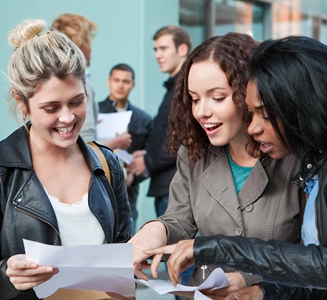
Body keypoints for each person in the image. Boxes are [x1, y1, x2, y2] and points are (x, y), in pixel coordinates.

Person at [145, 36, 327, 299]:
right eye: (194, 99)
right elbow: (314, 273)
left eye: (264, 115)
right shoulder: (318, 157)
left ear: (300, 105)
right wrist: (263, 292)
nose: (254, 127)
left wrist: (215, 247)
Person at [0, 19, 132, 300]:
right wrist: (8, 276)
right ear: (21, 102)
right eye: (51, 108)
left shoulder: (107, 163)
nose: (67, 118)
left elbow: (126, 254)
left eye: (77, 101)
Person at [130, 33, 309, 299]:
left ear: (250, 93)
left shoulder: (295, 156)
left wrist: (250, 280)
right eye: (194, 98)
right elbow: (180, 219)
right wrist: (156, 230)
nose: (202, 111)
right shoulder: (194, 154)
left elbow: (316, 253)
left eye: (217, 97)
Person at [128, 25, 191, 217]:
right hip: (168, 186)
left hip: (174, 187)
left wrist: (148, 161)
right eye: (156, 50)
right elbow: (169, 133)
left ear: (182, 50)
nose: (157, 55)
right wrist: (148, 153)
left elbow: (183, 137)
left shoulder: (186, 87)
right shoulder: (175, 87)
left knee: (171, 247)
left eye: (163, 48)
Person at [99, 63, 153, 232]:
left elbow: (149, 157)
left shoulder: (143, 119)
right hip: (99, 183)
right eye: (116, 80)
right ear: (109, 82)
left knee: (127, 238)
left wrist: (133, 177)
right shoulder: (94, 112)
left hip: (129, 191)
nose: (120, 85)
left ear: (133, 85)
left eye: (126, 81)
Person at [51, 13, 99, 142]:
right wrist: (118, 142)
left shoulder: (48, 78)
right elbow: (87, 140)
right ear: (81, 45)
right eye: (89, 41)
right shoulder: (80, 81)